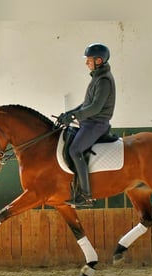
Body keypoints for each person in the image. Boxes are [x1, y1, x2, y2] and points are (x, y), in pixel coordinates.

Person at [57, 43, 116, 207]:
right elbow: (86, 104)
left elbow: (95, 107)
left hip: (97, 124)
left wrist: (75, 115)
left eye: (89, 60)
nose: (86, 63)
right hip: (89, 122)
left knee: (75, 150)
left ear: (98, 60)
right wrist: (69, 114)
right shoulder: (97, 78)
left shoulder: (104, 81)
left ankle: (86, 195)